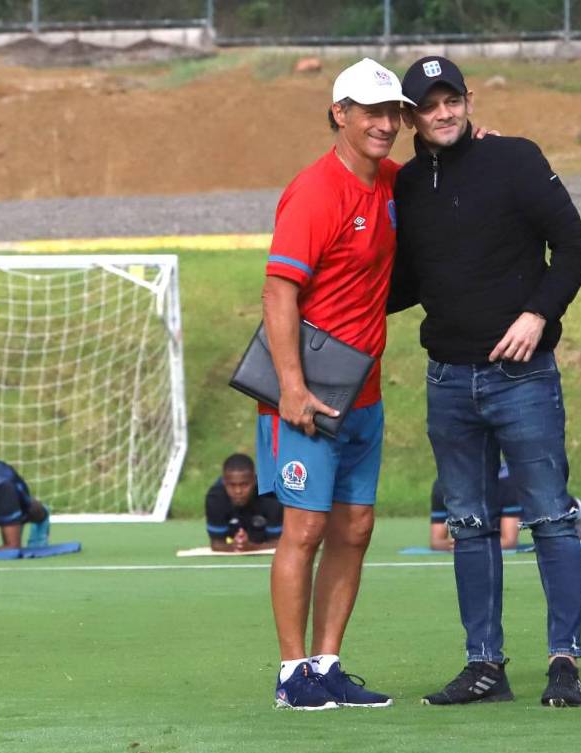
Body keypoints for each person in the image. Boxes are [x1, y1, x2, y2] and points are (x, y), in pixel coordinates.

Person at [390, 56, 581, 708]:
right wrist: (323, 296)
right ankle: (485, 666)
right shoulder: (408, 185)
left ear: (467, 100)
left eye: (452, 99)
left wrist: (538, 314)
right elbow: (407, 282)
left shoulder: (516, 159)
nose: (443, 112)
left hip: (521, 377)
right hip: (448, 379)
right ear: (409, 117)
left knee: (550, 519)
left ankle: (564, 661)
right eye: (428, 104)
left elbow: (575, 247)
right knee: (469, 525)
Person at [257, 58, 414, 710]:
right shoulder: (316, 191)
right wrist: (290, 386)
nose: (385, 124)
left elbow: (442, 167)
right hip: (310, 395)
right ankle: (293, 673)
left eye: (392, 113)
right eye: (370, 112)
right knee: (304, 530)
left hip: (365, 393)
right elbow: (278, 290)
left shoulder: (391, 183)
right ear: (339, 114)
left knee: (355, 527)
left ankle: (327, 663)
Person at [430, 464, 581, 551]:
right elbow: (436, 540)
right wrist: (449, 545)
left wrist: (471, 544)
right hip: (493, 507)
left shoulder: (505, 484)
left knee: (547, 509)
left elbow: (509, 541)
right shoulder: (441, 486)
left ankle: (578, 508)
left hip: (524, 488)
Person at [205, 453, 283, 552]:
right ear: (224, 482)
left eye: (244, 484)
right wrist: (235, 546)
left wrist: (252, 547)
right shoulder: (215, 498)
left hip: (262, 537)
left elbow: (279, 542)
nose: (238, 491)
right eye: (232, 485)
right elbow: (217, 543)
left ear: (254, 480)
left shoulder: (270, 496)